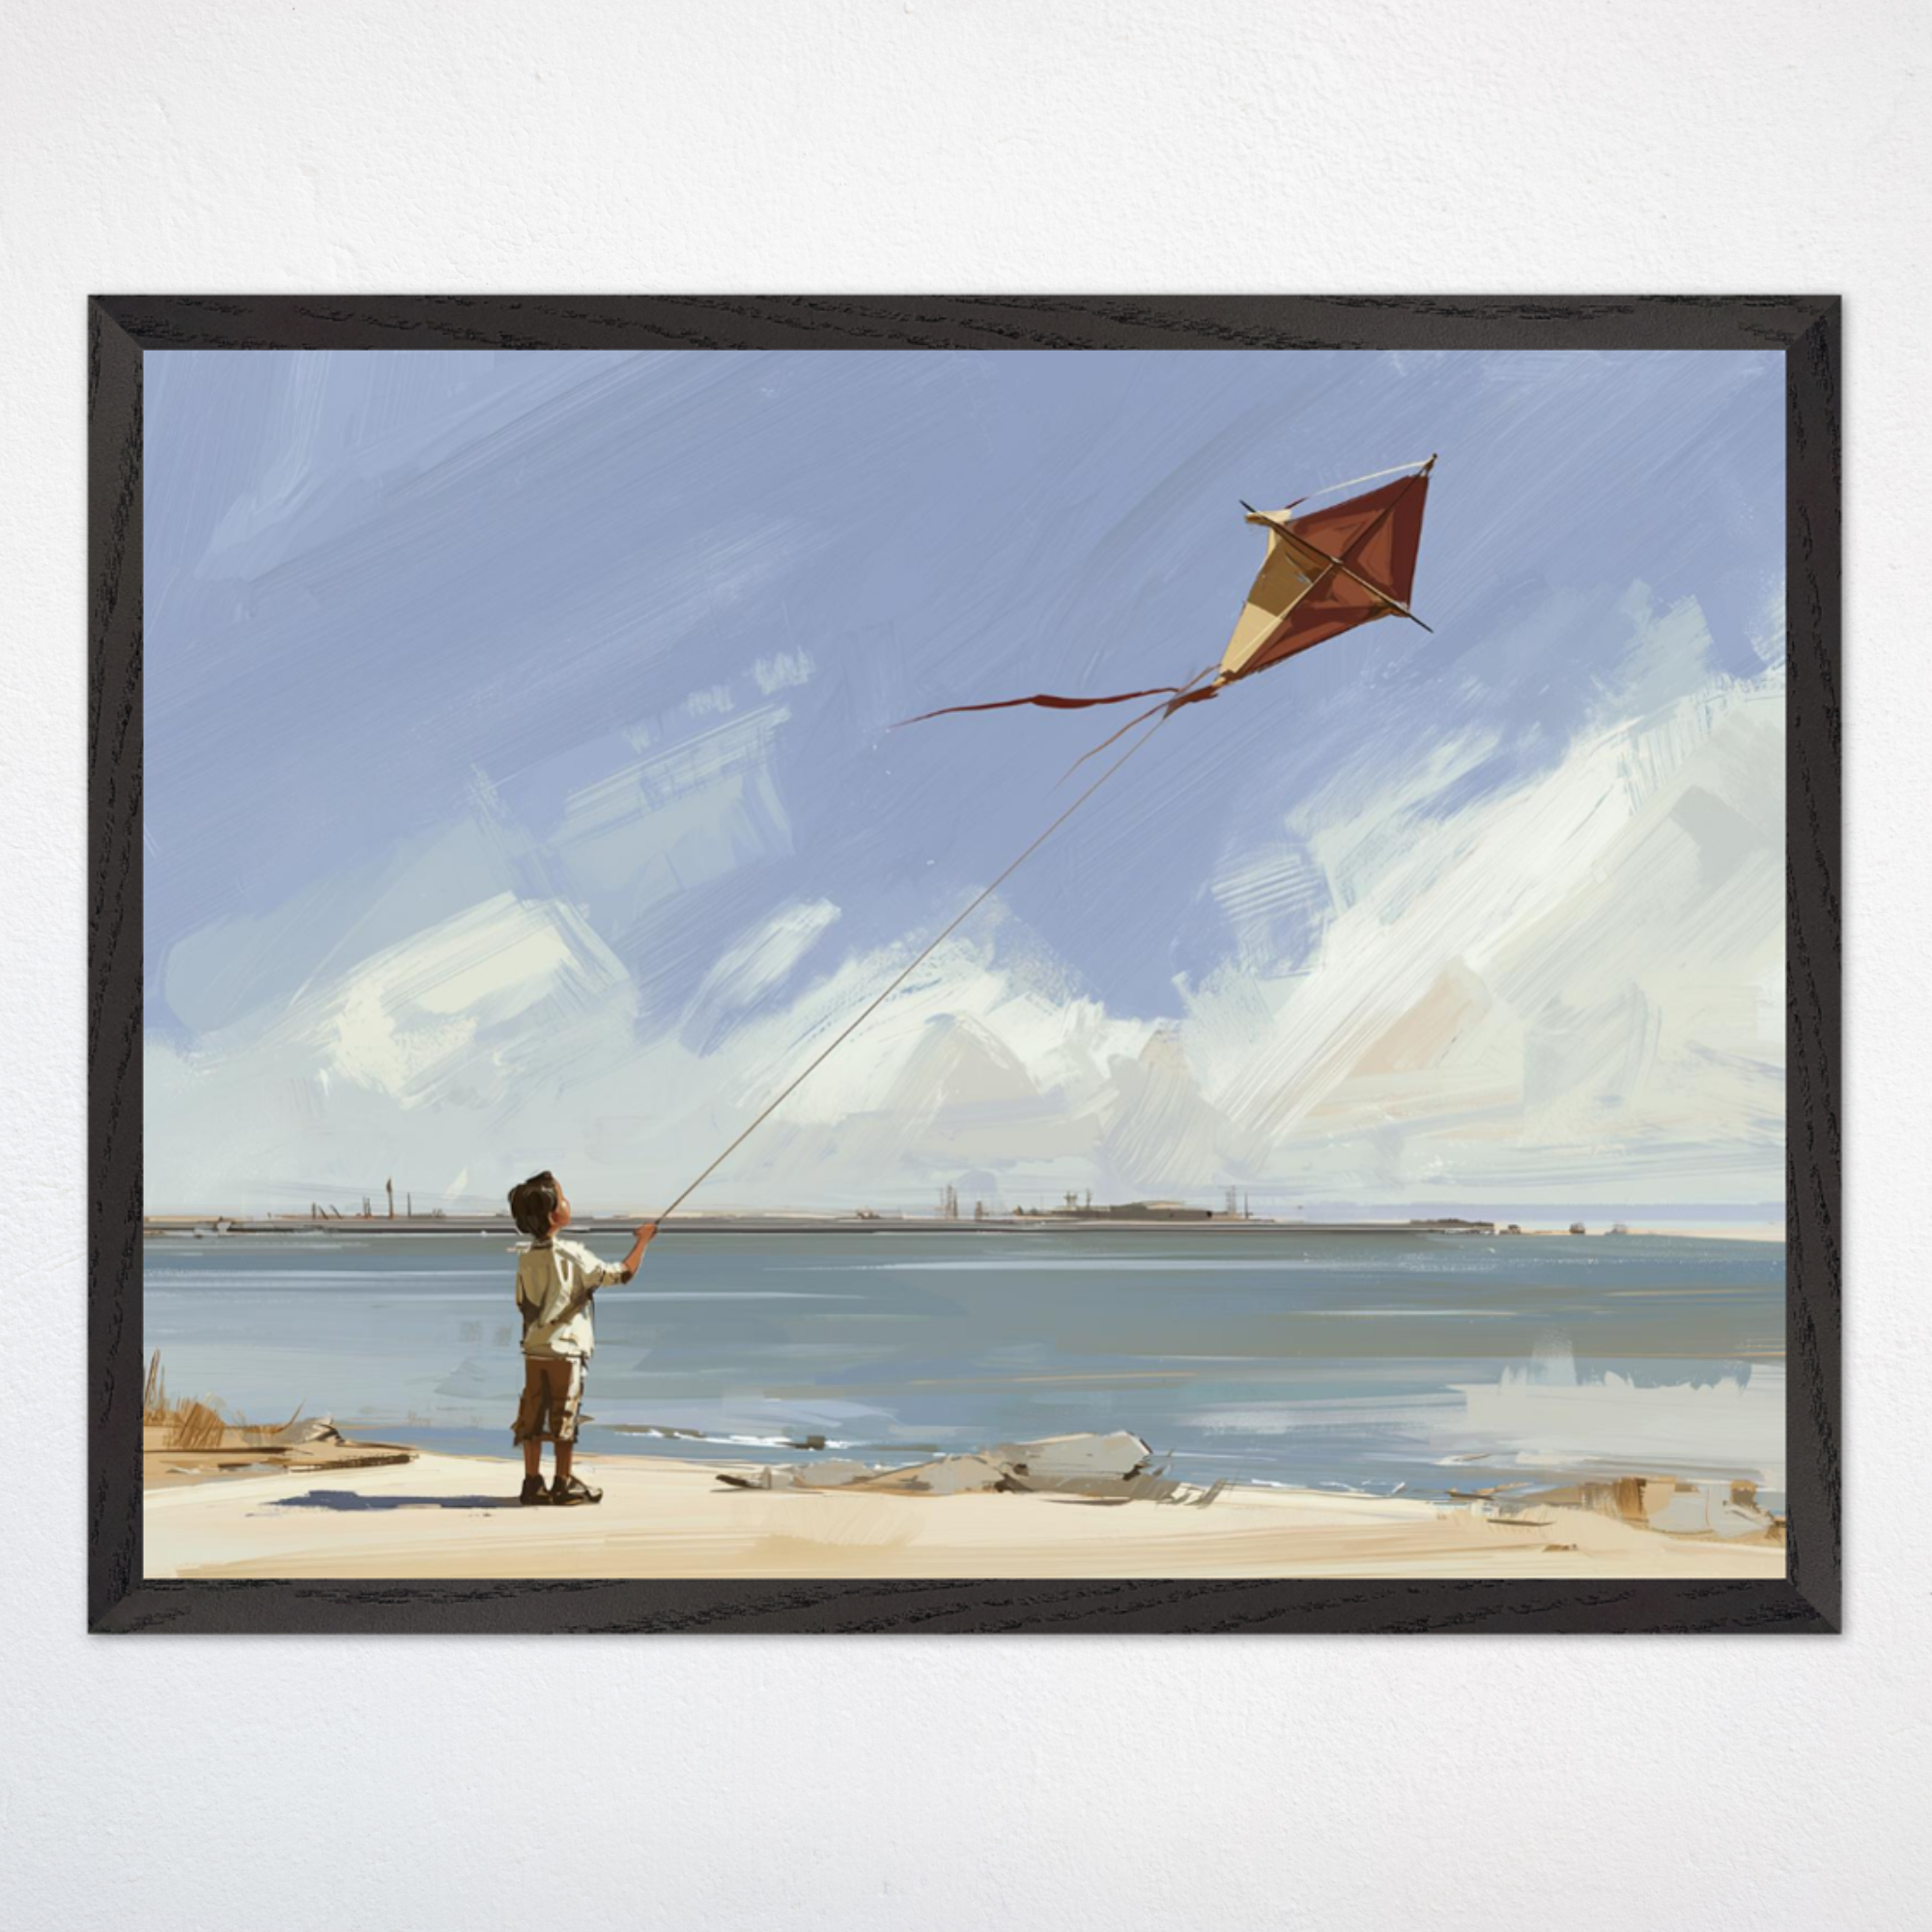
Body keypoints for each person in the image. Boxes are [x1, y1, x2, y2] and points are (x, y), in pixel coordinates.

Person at [506, 1171, 657, 1507]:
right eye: (562, 1198)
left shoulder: (526, 1258)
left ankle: (532, 1482)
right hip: (567, 1351)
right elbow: (621, 1274)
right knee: (564, 1418)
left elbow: (522, 1304)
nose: (567, 1202)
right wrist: (643, 1241)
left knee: (532, 1418)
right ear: (552, 1215)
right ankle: (562, 1482)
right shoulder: (572, 1255)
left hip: (534, 1349)